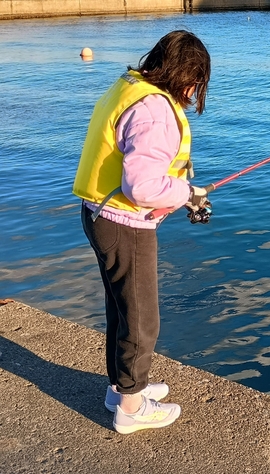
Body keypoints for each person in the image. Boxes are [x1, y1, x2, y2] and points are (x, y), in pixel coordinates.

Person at [73, 30, 211, 434]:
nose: (195, 91)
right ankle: (131, 409)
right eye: (197, 81)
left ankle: (122, 390)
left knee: (121, 308)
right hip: (123, 223)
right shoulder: (155, 112)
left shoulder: (131, 87)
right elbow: (143, 187)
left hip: (98, 213)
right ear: (189, 76)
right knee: (141, 318)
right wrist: (187, 192)